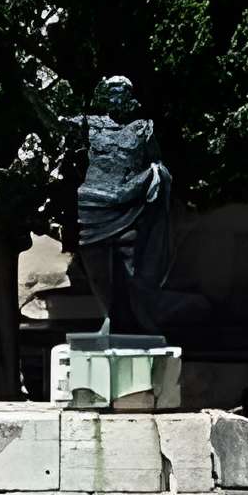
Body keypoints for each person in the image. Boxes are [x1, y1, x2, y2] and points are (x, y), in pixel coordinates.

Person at [71, 76, 173, 339]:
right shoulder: (89, 125)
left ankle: (136, 320)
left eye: (123, 92)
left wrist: (156, 175)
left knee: (130, 269)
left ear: (130, 98)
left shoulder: (142, 129)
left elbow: (156, 160)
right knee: (95, 268)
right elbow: (59, 132)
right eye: (113, 92)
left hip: (128, 205)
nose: (118, 97)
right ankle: (110, 317)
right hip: (92, 206)